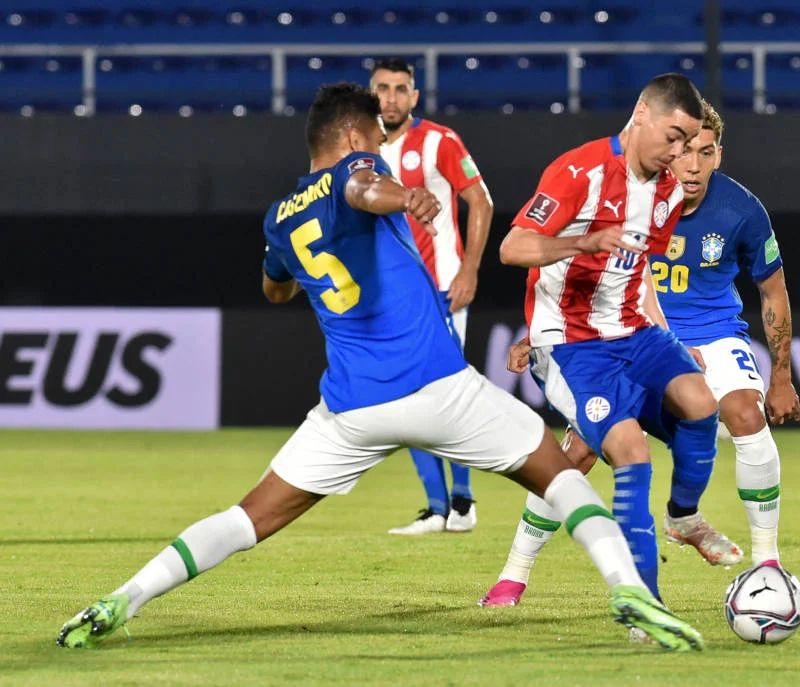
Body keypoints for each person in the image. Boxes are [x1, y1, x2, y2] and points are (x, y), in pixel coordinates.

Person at [55, 83, 704, 653]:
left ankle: (121, 599)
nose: (380, 149)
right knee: (561, 478)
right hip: (439, 389)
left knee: (246, 517)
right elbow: (365, 186)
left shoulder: (279, 218)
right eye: (373, 138)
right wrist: (405, 198)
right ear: (351, 136)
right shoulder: (359, 169)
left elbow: (274, 289)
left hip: (351, 410)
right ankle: (629, 591)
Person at [480, 101, 800, 608]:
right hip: (627, 332)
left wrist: (781, 375)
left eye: (707, 152)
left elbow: (774, 290)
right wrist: (540, 336)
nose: (693, 164)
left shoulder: (741, 210)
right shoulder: (637, 196)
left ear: (720, 154)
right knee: (579, 452)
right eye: (685, 151)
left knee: (744, 412)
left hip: (714, 336)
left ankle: (767, 562)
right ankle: (515, 573)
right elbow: (586, 281)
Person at [490, 73, 722, 609]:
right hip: (572, 344)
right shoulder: (578, 171)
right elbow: (514, 247)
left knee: (701, 403)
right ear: (640, 113)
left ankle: (683, 517)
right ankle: (639, 601)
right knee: (623, 451)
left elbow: (637, 274)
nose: (678, 154)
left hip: (633, 332)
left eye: (688, 144)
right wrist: (584, 240)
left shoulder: (665, 191)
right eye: (672, 136)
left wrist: (668, 340)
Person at [370, 57, 494, 535]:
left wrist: (469, 269)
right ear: (371, 92)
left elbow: (479, 199)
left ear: (415, 97)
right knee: (405, 395)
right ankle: (438, 507)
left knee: (444, 393)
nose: (391, 98)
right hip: (392, 295)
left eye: (401, 89)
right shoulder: (363, 150)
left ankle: (461, 502)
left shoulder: (440, 141)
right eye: (383, 88)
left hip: (443, 288)